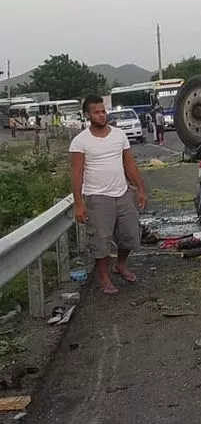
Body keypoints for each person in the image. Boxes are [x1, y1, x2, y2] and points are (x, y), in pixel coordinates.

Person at [69, 95, 148, 294]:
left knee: (130, 234)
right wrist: (79, 204)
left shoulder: (119, 135)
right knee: (101, 241)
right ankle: (104, 278)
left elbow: (129, 163)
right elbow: (77, 173)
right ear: (87, 115)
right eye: (96, 112)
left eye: (103, 111)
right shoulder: (80, 142)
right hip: (97, 197)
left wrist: (140, 189)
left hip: (122, 193)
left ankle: (120, 264)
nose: (102, 115)